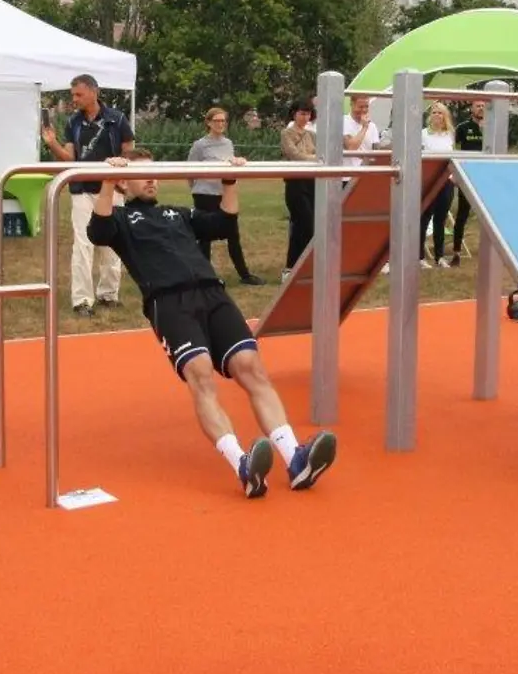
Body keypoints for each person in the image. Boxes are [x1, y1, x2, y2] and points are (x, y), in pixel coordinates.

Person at [86, 147, 338, 499]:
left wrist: (230, 179)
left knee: (251, 366)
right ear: (124, 183)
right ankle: (242, 465)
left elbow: (223, 224)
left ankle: (296, 459)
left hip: (213, 295)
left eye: (154, 172)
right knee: (201, 373)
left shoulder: (177, 213)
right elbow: (98, 232)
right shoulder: (121, 220)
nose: (151, 178)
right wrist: (107, 180)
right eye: (141, 174)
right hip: (169, 302)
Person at [41, 74, 135, 318]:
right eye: (73, 94)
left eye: (79, 94)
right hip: (82, 190)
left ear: (94, 92)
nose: (74, 99)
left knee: (112, 243)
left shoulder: (117, 118)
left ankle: (109, 294)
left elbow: (129, 151)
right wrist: (52, 143)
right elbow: (69, 159)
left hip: (110, 189)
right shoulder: (73, 122)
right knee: (83, 245)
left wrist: (122, 170)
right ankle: (82, 300)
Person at [187, 107, 263, 285]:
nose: (220, 124)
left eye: (223, 121)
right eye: (216, 121)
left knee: (233, 234)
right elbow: (190, 170)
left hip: (224, 194)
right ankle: (205, 276)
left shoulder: (228, 143)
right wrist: (197, 188)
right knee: (205, 237)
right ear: (208, 123)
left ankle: (244, 275)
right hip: (205, 195)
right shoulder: (200, 145)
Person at [279, 99, 319, 281]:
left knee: (309, 226)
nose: (305, 117)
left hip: (312, 182)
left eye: (308, 113)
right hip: (295, 182)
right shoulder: (287, 133)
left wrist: (313, 157)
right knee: (303, 224)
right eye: (302, 113)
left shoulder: (312, 134)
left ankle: (302, 266)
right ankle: (290, 267)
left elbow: (320, 153)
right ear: (294, 114)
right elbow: (294, 155)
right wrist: (314, 158)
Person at [420, 102, 457, 268]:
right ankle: (420, 257)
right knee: (424, 217)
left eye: (440, 113)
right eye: (434, 112)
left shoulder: (450, 134)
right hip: (428, 180)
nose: (437, 115)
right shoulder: (423, 134)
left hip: (446, 181)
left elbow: (453, 157)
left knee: (440, 219)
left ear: (445, 116)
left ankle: (439, 256)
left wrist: (454, 176)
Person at [449, 100, 485, 266]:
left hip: (486, 175)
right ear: (472, 109)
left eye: (484, 106)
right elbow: (451, 148)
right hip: (467, 174)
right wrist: (455, 172)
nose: (481, 108)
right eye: (478, 106)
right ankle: (456, 252)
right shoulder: (463, 127)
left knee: (490, 215)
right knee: (462, 214)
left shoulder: (492, 128)